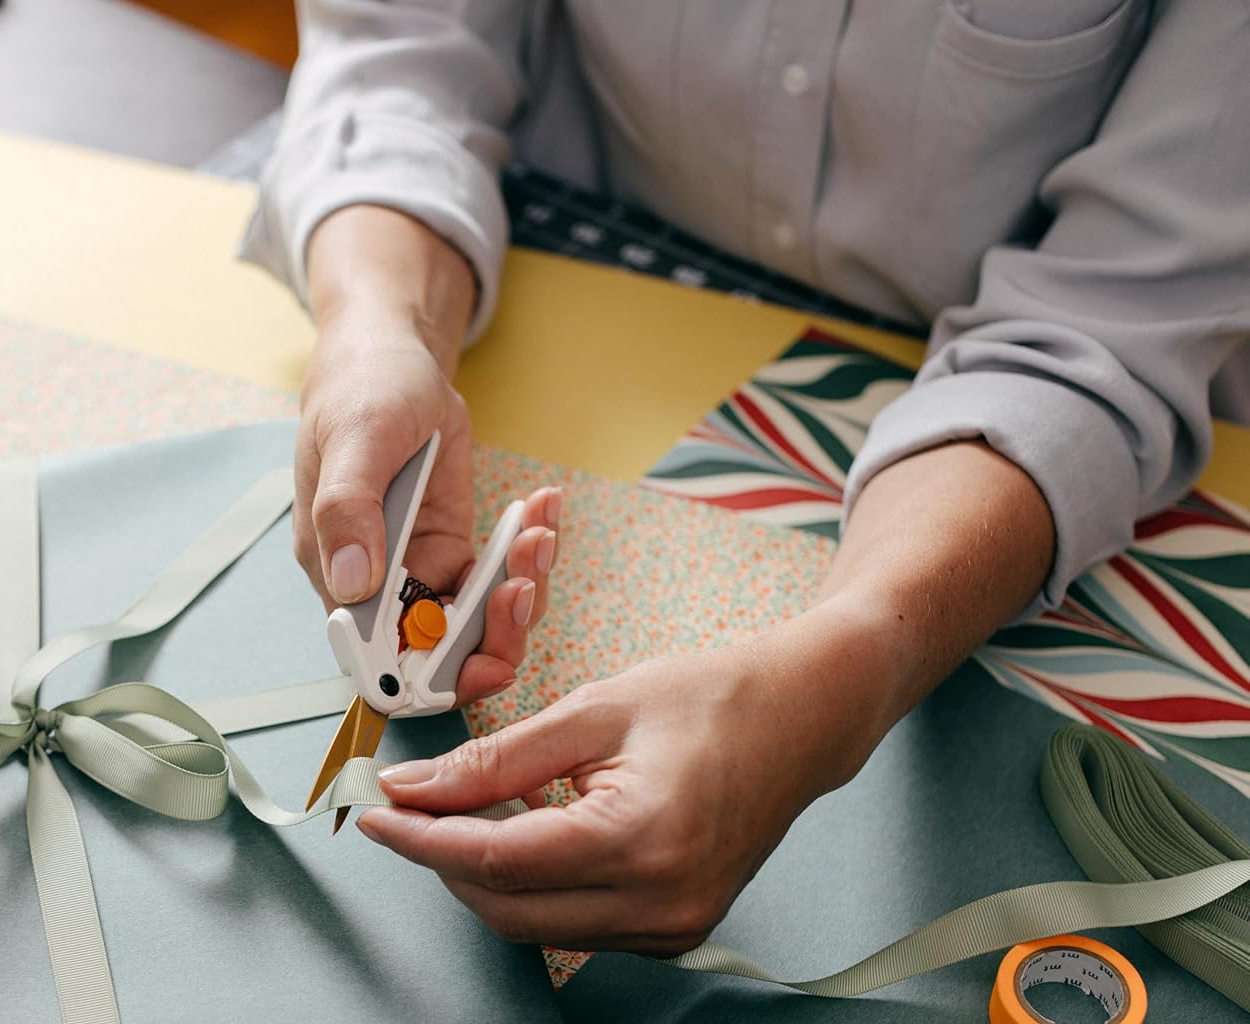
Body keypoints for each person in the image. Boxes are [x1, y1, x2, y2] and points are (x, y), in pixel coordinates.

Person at [245, 0, 1250, 955]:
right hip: (574, 273)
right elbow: (399, 62)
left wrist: (841, 674)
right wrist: (382, 325)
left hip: (998, 451)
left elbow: (1100, 337)